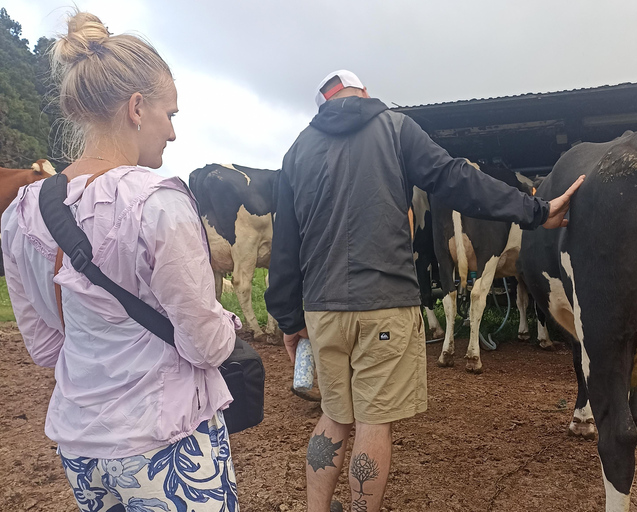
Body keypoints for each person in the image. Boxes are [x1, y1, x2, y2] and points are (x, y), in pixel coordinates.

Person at [265, 69, 584, 512]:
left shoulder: (297, 151)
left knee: (335, 416)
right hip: (386, 306)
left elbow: (286, 246)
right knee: (373, 422)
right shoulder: (395, 128)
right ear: (365, 93)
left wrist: (288, 319)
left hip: (324, 310)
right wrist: (534, 209)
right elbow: (457, 179)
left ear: (323, 106)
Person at [1, 12, 241, 512]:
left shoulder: (21, 212)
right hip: (164, 440)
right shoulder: (158, 200)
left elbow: (45, 348)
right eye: (169, 114)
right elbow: (205, 345)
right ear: (136, 108)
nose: (172, 132)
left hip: (80, 446)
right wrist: (229, 322)